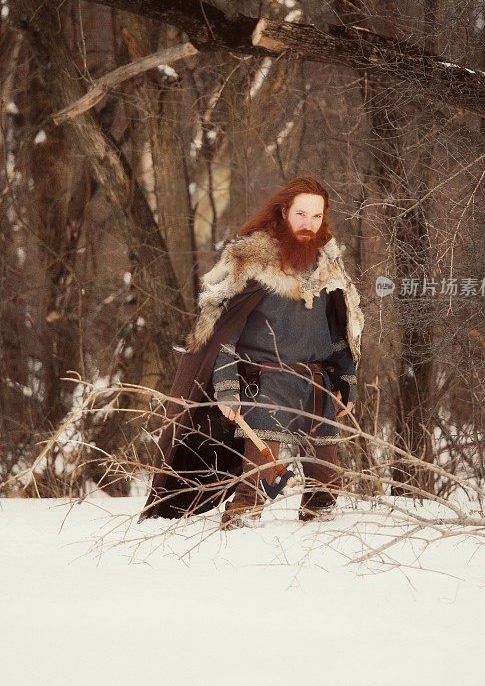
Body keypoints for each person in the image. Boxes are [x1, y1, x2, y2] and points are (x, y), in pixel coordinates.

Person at [140, 177, 364, 529]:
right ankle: (241, 522)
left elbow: (340, 331)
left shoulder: (328, 267)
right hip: (267, 382)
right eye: (301, 213)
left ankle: (321, 522)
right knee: (259, 469)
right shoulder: (252, 259)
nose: (309, 223)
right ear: (285, 211)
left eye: (317, 216)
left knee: (327, 469)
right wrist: (227, 390)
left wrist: (346, 380)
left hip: (316, 383)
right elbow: (226, 336)